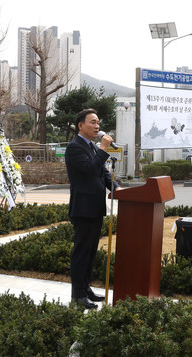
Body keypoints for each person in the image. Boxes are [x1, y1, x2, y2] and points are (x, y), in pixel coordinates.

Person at [65, 108, 119, 310]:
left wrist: (117, 188)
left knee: (90, 253)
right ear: (81, 125)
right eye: (93, 122)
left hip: (96, 208)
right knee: (81, 252)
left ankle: (85, 289)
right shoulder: (74, 147)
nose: (97, 126)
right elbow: (89, 169)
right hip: (83, 208)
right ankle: (77, 296)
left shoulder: (93, 147)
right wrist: (104, 149)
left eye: (98, 122)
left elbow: (103, 174)